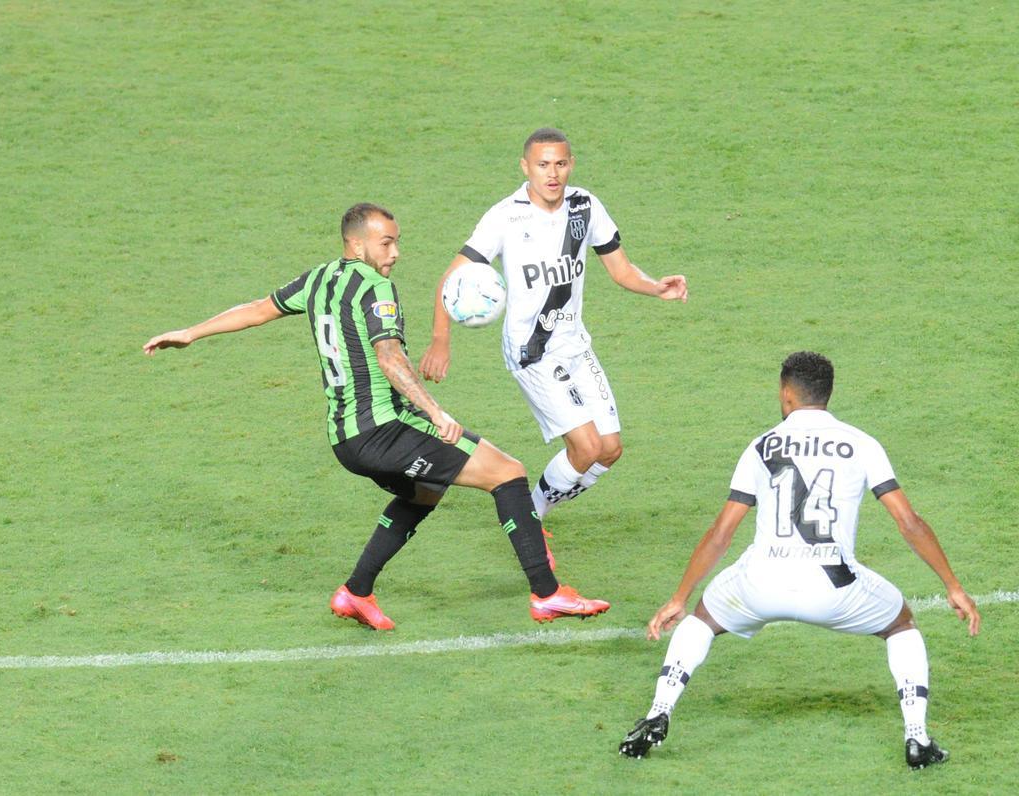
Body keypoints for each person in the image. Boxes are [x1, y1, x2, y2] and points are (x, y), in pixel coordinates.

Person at [143, 203, 609, 630]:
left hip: (345, 439)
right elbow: (389, 357)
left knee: (424, 492)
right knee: (508, 474)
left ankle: (355, 592)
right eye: (387, 242)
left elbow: (257, 310)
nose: (396, 253)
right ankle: (547, 594)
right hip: (385, 429)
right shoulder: (376, 287)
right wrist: (435, 412)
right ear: (357, 244)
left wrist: (191, 332)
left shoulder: (318, 279)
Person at [618, 351, 981, 769]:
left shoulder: (761, 445)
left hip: (759, 584)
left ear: (786, 395)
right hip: (835, 590)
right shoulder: (861, 443)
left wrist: (679, 597)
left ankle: (658, 712)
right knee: (900, 623)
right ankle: (917, 738)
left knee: (702, 618)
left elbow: (721, 533)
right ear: (826, 394)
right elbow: (909, 522)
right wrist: (952, 585)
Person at [419, 127, 688, 553]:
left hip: (575, 346)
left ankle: (530, 509)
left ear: (571, 165)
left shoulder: (585, 206)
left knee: (610, 450)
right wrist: (440, 340)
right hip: (532, 351)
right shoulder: (505, 217)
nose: (553, 173)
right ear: (525, 167)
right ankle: (530, 519)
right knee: (585, 447)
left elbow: (620, 270)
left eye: (560, 164)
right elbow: (450, 278)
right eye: (543, 165)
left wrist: (656, 287)